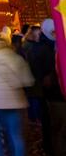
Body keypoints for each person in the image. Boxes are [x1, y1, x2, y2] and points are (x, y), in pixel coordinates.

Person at [29, 18, 66, 155]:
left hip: (55, 93)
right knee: (58, 128)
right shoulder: (45, 48)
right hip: (54, 95)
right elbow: (43, 75)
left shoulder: (51, 45)